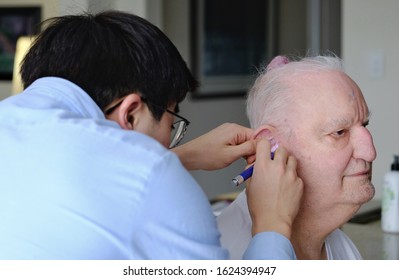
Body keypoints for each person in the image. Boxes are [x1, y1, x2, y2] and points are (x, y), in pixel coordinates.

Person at [0, 11, 303, 259]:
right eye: (172, 125)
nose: (168, 142)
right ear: (130, 114)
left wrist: (184, 156)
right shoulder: (153, 174)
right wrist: (272, 225)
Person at [217, 54, 377, 260]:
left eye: (364, 125)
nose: (370, 152)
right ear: (271, 145)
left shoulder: (339, 246)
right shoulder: (225, 254)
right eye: (339, 132)